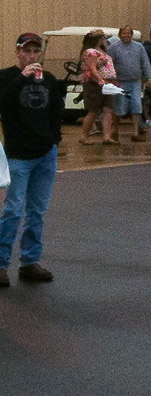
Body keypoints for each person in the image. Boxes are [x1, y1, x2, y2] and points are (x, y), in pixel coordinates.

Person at [0, 33, 64, 286]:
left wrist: (54, 140)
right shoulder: (6, 77)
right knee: (13, 210)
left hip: (45, 154)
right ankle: (1, 263)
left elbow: (56, 110)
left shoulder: (48, 79)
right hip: (18, 154)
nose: (31, 56)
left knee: (37, 211)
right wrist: (21, 79)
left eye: (36, 52)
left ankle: (30, 261)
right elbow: (3, 104)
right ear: (18, 52)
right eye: (27, 52)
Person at [107, 26, 151, 141]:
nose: (126, 35)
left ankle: (135, 132)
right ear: (119, 35)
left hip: (135, 82)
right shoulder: (113, 47)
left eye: (128, 33)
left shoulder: (139, 47)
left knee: (136, 106)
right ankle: (115, 130)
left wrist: (149, 77)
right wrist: (109, 79)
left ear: (131, 34)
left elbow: (145, 62)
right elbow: (108, 63)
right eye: (124, 33)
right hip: (120, 83)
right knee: (119, 108)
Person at [78, 29, 119, 145]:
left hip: (108, 83)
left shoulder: (102, 51)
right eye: (102, 38)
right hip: (94, 84)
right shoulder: (90, 52)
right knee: (93, 110)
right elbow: (92, 68)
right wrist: (100, 79)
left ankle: (106, 136)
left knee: (108, 109)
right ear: (97, 39)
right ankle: (84, 136)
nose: (104, 40)